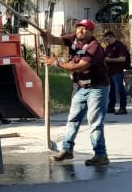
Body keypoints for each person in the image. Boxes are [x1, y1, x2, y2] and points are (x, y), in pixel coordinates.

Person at [40, 19, 110, 166]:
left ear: (91, 32)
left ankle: (101, 155)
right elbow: (56, 40)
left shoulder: (94, 47)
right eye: (79, 27)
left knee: (94, 122)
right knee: (73, 118)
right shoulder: (73, 39)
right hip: (80, 87)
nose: (80, 31)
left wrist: (57, 63)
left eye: (85, 29)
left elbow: (78, 67)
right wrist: (45, 35)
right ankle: (67, 150)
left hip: (97, 88)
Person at [103, 30, 131, 115]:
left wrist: (109, 60)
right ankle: (111, 107)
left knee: (120, 90)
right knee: (111, 91)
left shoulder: (119, 46)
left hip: (117, 71)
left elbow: (122, 58)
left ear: (112, 37)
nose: (107, 41)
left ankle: (123, 108)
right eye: (106, 40)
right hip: (110, 72)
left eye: (108, 39)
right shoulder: (108, 47)